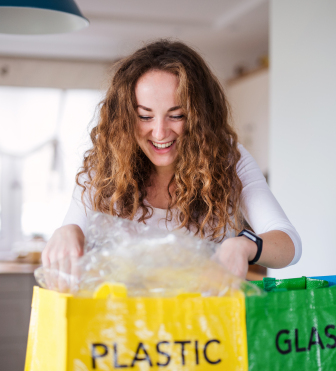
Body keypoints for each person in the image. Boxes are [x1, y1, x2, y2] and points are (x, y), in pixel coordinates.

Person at [42, 40, 301, 290]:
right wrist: (67, 231)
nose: (160, 132)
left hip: (202, 328)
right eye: (145, 116)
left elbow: (289, 244)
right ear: (125, 117)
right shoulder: (104, 169)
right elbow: (66, 255)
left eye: (176, 115)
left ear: (200, 116)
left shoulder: (228, 159)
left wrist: (245, 245)